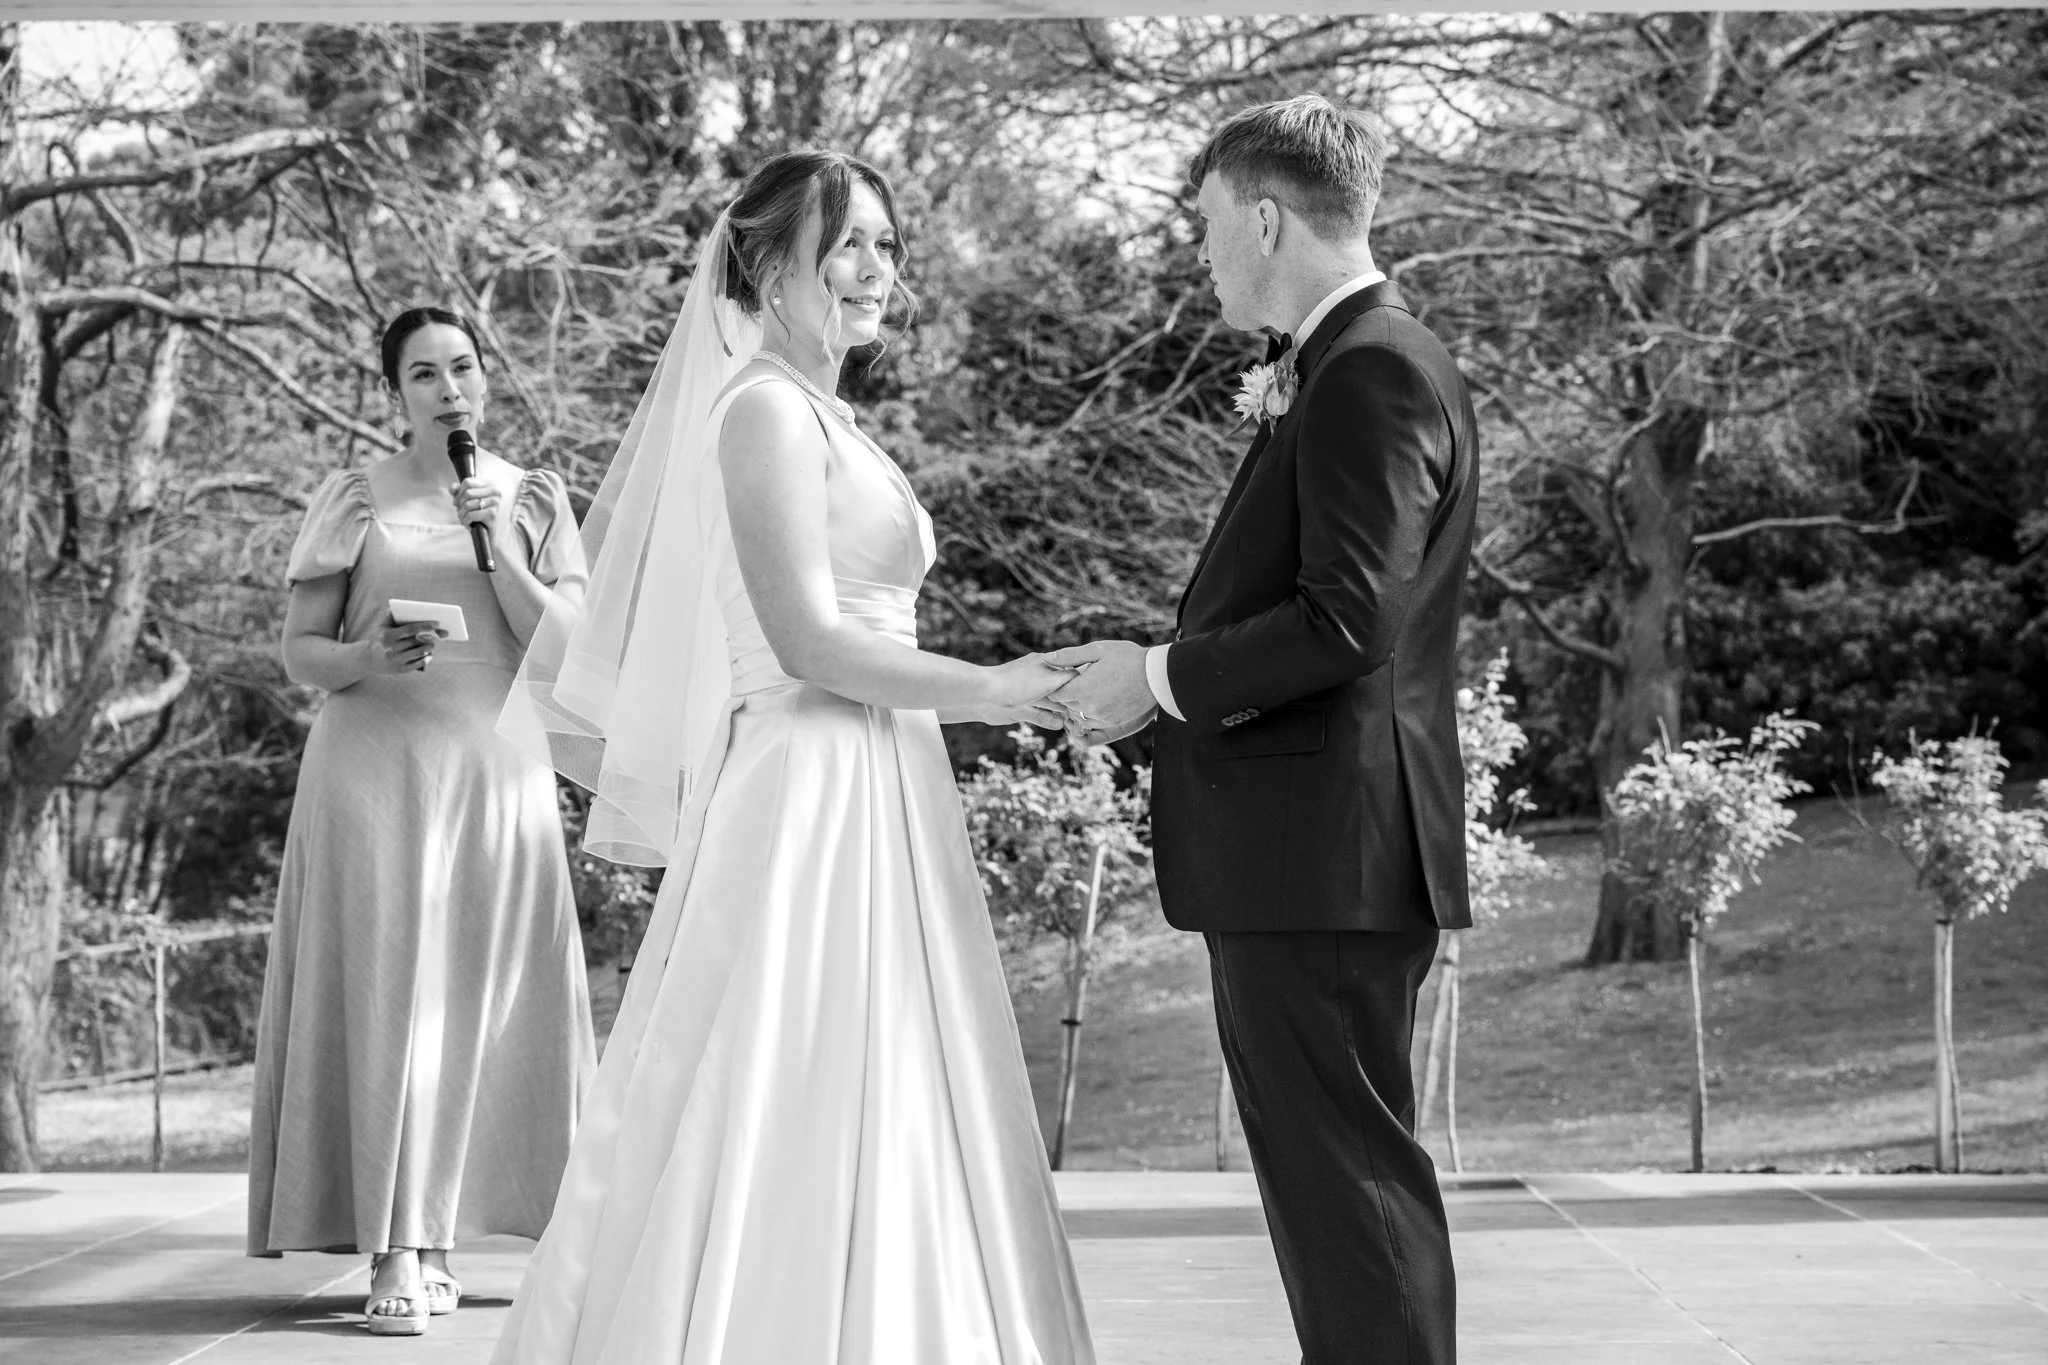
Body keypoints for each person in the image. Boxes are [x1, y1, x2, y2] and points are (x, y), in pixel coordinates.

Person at [490, 150, 1093, 1364]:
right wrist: (997, 688)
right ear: (768, 265)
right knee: (781, 1074)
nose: (876, 270)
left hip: (884, 773)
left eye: (886, 243)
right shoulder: (760, 411)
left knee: (887, 1077)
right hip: (808, 783)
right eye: (847, 244)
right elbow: (809, 642)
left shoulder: (829, 416)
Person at [1051, 94, 1478, 1365]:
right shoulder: (1350, 362)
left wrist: (1159, 679)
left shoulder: (1373, 368)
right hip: (1311, 855)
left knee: (1346, 1186)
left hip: (1324, 858)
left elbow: (1348, 619)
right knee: (1329, 1187)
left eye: (1203, 226)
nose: (1198, 255)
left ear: (1264, 214)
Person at [248, 307, 597, 1338]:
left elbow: (569, 644)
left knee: (481, 1002)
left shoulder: (532, 496)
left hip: (497, 775)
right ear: (393, 393)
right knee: (391, 994)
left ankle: (447, 1236)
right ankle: (394, 1246)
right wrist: (366, 659)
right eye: (422, 374)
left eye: (462, 368)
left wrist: (503, 559)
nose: (448, 389)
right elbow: (301, 651)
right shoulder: (354, 496)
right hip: (371, 773)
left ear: (485, 379)